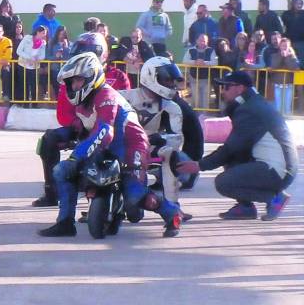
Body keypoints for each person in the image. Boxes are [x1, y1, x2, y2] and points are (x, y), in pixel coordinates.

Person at [38, 52, 181, 238]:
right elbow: (81, 128)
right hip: (106, 145)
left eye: (78, 81)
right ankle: (65, 222)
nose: (74, 86)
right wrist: (56, 137)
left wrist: (77, 156)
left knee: (134, 195)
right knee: (62, 171)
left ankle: (172, 214)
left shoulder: (106, 95)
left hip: (131, 144)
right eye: (71, 82)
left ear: (92, 77)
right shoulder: (83, 103)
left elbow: (104, 132)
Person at [177, 71, 297, 221]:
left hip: (278, 171)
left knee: (223, 182)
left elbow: (231, 147)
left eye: (226, 87)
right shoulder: (254, 103)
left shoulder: (249, 109)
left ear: (240, 88)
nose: (222, 91)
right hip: (281, 167)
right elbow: (235, 149)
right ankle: (246, 208)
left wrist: (198, 165)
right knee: (232, 160)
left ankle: (274, 198)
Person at [33, 32, 129, 207]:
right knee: (48, 140)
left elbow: (127, 104)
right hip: (82, 126)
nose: (80, 54)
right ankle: (51, 192)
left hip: (111, 126)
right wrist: (79, 124)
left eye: (85, 50)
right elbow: (63, 113)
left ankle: (106, 200)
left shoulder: (119, 76)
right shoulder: (71, 77)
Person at [120, 57, 196, 219]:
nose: (170, 84)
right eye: (166, 80)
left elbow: (176, 139)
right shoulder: (123, 97)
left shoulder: (172, 107)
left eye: (171, 80)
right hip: (120, 146)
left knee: (172, 154)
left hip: (148, 149)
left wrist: (160, 138)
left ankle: (173, 207)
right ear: (150, 76)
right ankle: (96, 202)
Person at [183, 33, 217, 110]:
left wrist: (204, 63)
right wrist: (195, 62)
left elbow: (215, 62)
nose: (202, 42)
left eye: (204, 41)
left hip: (206, 80)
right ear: (196, 41)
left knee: (205, 101)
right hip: (194, 79)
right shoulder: (190, 50)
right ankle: (196, 118)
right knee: (195, 100)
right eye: (200, 40)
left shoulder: (211, 50)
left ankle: (204, 117)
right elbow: (185, 61)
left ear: (207, 42)